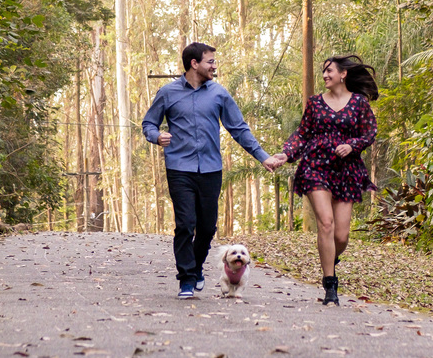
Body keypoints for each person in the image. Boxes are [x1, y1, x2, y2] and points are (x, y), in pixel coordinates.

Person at [143, 42, 285, 299]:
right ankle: (187, 279)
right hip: (179, 168)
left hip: (210, 169)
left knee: (207, 228)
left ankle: (196, 267)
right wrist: (156, 136)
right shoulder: (168, 92)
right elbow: (148, 123)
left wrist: (262, 156)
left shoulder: (219, 94)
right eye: (210, 62)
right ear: (194, 63)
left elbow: (238, 128)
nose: (214, 66)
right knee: (185, 224)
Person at [269, 54, 378, 306]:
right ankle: (330, 284)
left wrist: (352, 145)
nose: (325, 75)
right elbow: (302, 134)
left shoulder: (359, 103)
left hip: (347, 170)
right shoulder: (315, 103)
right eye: (324, 72)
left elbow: (369, 132)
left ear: (343, 74)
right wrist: (286, 153)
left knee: (341, 235)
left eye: (330, 71)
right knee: (326, 224)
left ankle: (330, 258)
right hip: (315, 166)